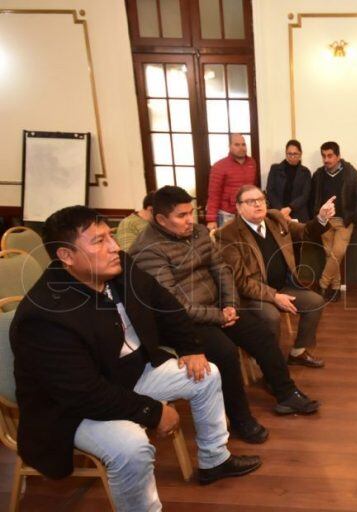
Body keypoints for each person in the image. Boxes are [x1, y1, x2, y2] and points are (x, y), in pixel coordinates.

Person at [10, 206, 260, 511]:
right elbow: (84, 393)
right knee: (131, 446)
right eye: (99, 241)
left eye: (111, 237)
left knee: (206, 373)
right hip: (71, 411)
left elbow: (165, 303)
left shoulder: (119, 265)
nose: (115, 247)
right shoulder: (45, 316)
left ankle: (214, 460)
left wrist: (190, 347)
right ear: (66, 256)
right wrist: (153, 413)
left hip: (126, 376)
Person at [131, 186, 320, 424]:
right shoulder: (147, 250)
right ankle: (242, 420)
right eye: (182, 216)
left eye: (191, 213)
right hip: (181, 322)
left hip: (218, 307)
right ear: (160, 219)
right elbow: (175, 305)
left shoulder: (198, 232)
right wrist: (220, 316)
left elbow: (222, 270)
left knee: (261, 333)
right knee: (225, 352)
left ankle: (286, 393)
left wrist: (230, 303)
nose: (190, 220)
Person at [219, 185, 335, 369]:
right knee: (272, 317)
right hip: (252, 295)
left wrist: (321, 218)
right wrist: (274, 297)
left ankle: (298, 352)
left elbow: (304, 232)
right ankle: (272, 367)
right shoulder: (228, 234)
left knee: (315, 301)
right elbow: (240, 282)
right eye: (250, 201)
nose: (258, 204)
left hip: (283, 286)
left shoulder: (275, 218)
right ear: (239, 207)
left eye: (260, 200)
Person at [309, 141, 357, 302]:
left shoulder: (350, 172)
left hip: (344, 221)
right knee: (329, 254)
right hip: (325, 221)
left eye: (330, 155)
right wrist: (316, 217)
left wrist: (353, 217)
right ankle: (335, 289)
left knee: (337, 253)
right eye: (324, 156)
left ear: (338, 156)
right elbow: (313, 198)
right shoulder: (318, 174)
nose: (326, 159)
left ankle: (322, 284)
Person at [206, 134, 257, 229]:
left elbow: (253, 188)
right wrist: (211, 219)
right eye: (237, 145)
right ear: (229, 146)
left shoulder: (252, 163)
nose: (241, 148)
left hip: (247, 212)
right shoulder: (219, 166)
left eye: (243, 144)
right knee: (228, 243)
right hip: (227, 214)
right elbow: (214, 194)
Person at [266, 140, 312, 222]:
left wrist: (290, 208)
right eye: (289, 154)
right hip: (278, 212)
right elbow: (270, 191)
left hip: (298, 213)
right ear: (286, 153)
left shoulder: (305, 172)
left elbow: (305, 195)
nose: (292, 157)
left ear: (300, 154)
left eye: (295, 154)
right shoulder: (275, 169)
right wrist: (281, 210)